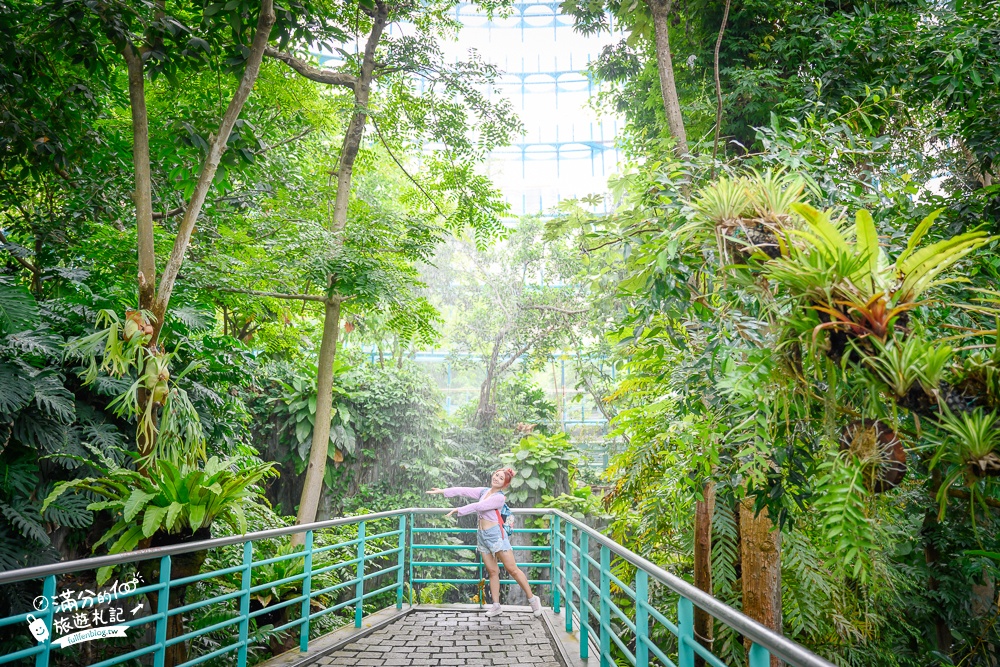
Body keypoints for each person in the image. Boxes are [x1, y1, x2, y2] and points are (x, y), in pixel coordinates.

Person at [427, 468, 543, 618]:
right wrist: (443, 491)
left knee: (512, 569)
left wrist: (459, 510)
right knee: (492, 571)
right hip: (482, 536)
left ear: (504, 484)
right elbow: (464, 490)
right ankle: (496, 606)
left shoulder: (499, 498)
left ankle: (533, 600)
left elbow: (479, 507)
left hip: (496, 536)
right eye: (496, 475)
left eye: (501, 478)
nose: (496, 478)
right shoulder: (484, 491)